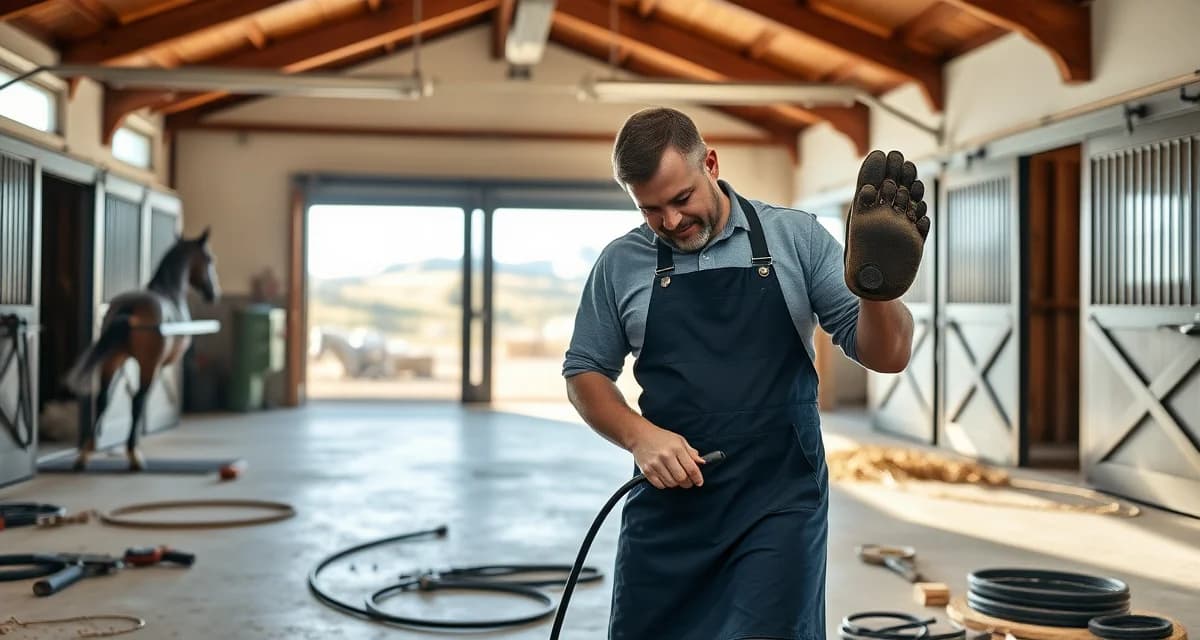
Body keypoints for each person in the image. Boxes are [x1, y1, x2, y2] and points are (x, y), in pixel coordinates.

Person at [561, 107, 930, 640]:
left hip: (777, 500)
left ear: (710, 162)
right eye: (651, 210)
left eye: (681, 199)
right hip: (669, 506)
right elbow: (585, 372)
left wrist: (879, 293)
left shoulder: (795, 238)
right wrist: (640, 438)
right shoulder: (622, 262)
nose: (669, 222)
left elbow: (887, 354)